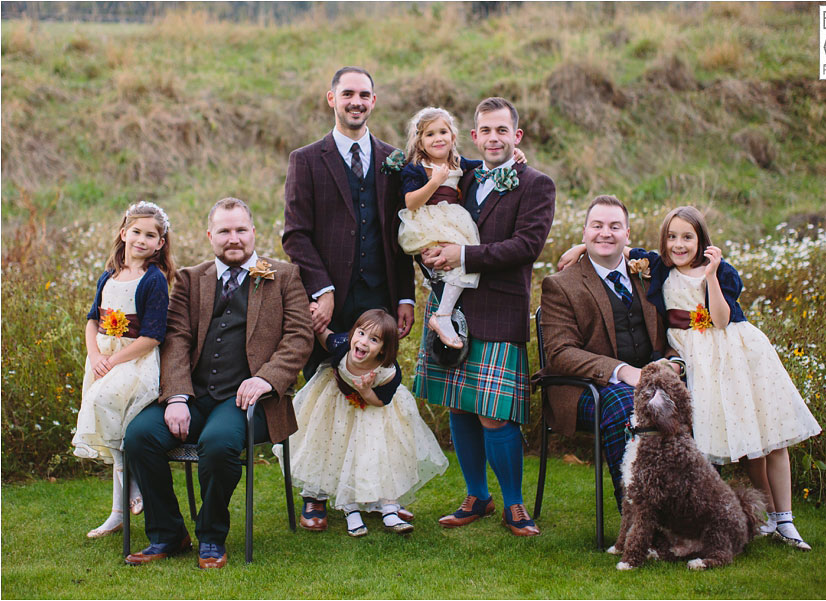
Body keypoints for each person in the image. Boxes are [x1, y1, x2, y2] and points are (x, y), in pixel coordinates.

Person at [123, 197, 314, 569]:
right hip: (192, 396)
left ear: (254, 233)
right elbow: (176, 338)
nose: (234, 238)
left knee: (218, 443)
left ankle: (211, 536)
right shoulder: (191, 279)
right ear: (210, 235)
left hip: (249, 400)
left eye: (241, 230)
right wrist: (176, 395)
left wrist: (266, 379)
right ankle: (167, 533)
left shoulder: (284, 275)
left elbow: (299, 338)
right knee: (139, 436)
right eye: (224, 231)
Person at [626, 206, 821, 550]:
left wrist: (712, 275)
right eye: (672, 237)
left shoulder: (719, 272)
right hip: (700, 364)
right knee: (746, 443)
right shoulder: (659, 268)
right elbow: (622, 249)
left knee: (769, 435)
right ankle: (768, 515)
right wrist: (580, 248)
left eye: (687, 236)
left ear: (701, 239)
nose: (679, 244)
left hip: (739, 355)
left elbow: (719, 319)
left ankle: (786, 519)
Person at [415, 97, 555, 537]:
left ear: (516, 137)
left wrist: (462, 254)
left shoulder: (536, 184)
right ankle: (477, 495)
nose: (493, 138)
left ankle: (515, 504)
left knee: (495, 414)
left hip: (498, 306)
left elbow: (525, 247)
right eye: (485, 131)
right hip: (451, 308)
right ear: (473, 137)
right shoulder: (464, 173)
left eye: (502, 131)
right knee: (460, 405)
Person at [538, 195, 683, 512]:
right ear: (584, 232)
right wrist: (624, 372)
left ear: (627, 235)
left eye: (615, 226)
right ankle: (638, 514)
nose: (606, 233)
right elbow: (560, 353)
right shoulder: (561, 285)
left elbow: (671, 329)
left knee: (695, 396)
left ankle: (691, 509)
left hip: (652, 378)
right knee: (626, 404)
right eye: (597, 226)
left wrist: (675, 361)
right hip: (587, 388)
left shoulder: (647, 276)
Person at [282, 66, 415, 368]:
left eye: (364, 95)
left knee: (375, 388)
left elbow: (403, 233)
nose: (357, 101)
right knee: (325, 392)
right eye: (348, 94)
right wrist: (322, 290)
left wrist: (406, 297)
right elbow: (295, 235)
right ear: (332, 98)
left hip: (380, 300)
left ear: (373, 100)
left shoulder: (393, 159)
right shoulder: (305, 160)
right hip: (329, 305)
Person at [274, 309, 448, 537]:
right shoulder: (341, 345)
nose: (363, 342)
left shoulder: (388, 372)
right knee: (339, 451)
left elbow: (380, 401)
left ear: (384, 349)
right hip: (337, 405)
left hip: (376, 410)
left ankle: (389, 506)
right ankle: (350, 508)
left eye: (373, 340)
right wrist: (314, 316)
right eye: (361, 333)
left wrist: (365, 389)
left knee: (382, 454)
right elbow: (324, 335)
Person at [72, 201, 174, 539]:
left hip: (134, 362)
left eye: (150, 235)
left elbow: (152, 337)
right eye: (136, 232)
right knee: (105, 416)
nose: (141, 240)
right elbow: (91, 320)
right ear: (123, 233)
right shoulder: (109, 275)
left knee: (104, 405)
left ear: (160, 243)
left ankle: (131, 485)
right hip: (102, 360)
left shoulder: (153, 280)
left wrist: (114, 360)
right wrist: (95, 354)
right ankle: (118, 510)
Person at [399, 106, 526, 348]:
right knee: (446, 263)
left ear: (453, 136)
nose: (438, 139)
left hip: (454, 221)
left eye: (443, 132)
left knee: (464, 261)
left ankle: (444, 314)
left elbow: (489, 164)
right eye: (429, 134)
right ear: (419, 141)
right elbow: (410, 201)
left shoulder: (459, 163)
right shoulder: (416, 167)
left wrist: (514, 154)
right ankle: (443, 314)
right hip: (428, 223)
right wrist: (434, 182)